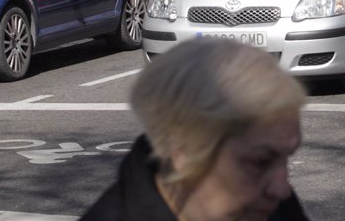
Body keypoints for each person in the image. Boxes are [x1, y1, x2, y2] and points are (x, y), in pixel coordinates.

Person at [80, 38, 310, 221]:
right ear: (182, 149)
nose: (282, 189)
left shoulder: (273, 209)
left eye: (285, 158)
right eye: (260, 162)